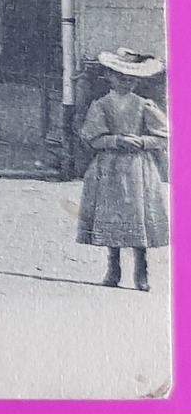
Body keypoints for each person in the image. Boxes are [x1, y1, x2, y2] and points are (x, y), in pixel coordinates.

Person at [77, 48, 169, 291]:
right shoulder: (101, 105)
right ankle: (113, 267)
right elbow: (91, 138)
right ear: (109, 76)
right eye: (120, 76)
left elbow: (165, 136)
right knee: (112, 215)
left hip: (139, 168)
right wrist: (116, 140)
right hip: (110, 167)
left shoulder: (144, 105)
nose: (126, 81)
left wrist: (142, 142)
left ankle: (142, 270)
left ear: (138, 80)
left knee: (138, 214)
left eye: (131, 78)